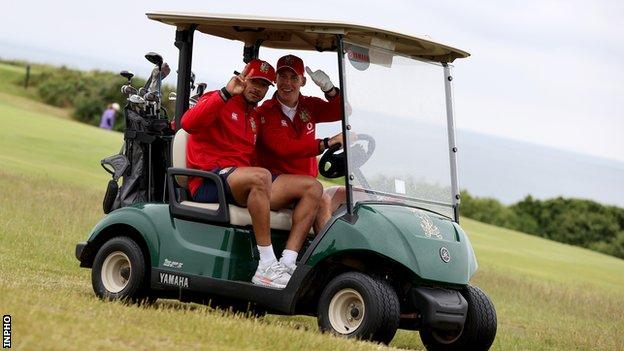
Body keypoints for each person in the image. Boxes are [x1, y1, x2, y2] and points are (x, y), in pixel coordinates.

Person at [180, 59, 322, 289]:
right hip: (210, 181)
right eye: (255, 81)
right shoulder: (218, 99)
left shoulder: (254, 117)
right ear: (243, 78)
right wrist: (226, 93)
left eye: (265, 85)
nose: (259, 89)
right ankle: (266, 264)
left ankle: (286, 264)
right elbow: (187, 122)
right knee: (261, 176)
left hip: (239, 181)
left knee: (312, 187)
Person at [256, 54, 346, 234]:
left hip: (306, 183)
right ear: (275, 79)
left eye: (293, 78)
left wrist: (330, 90)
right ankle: (327, 257)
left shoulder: (309, 105)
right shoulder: (265, 112)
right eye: (282, 77)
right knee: (321, 199)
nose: (287, 83)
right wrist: (326, 143)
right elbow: (283, 148)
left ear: (303, 81)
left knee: (350, 196)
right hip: (277, 184)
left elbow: (344, 111)